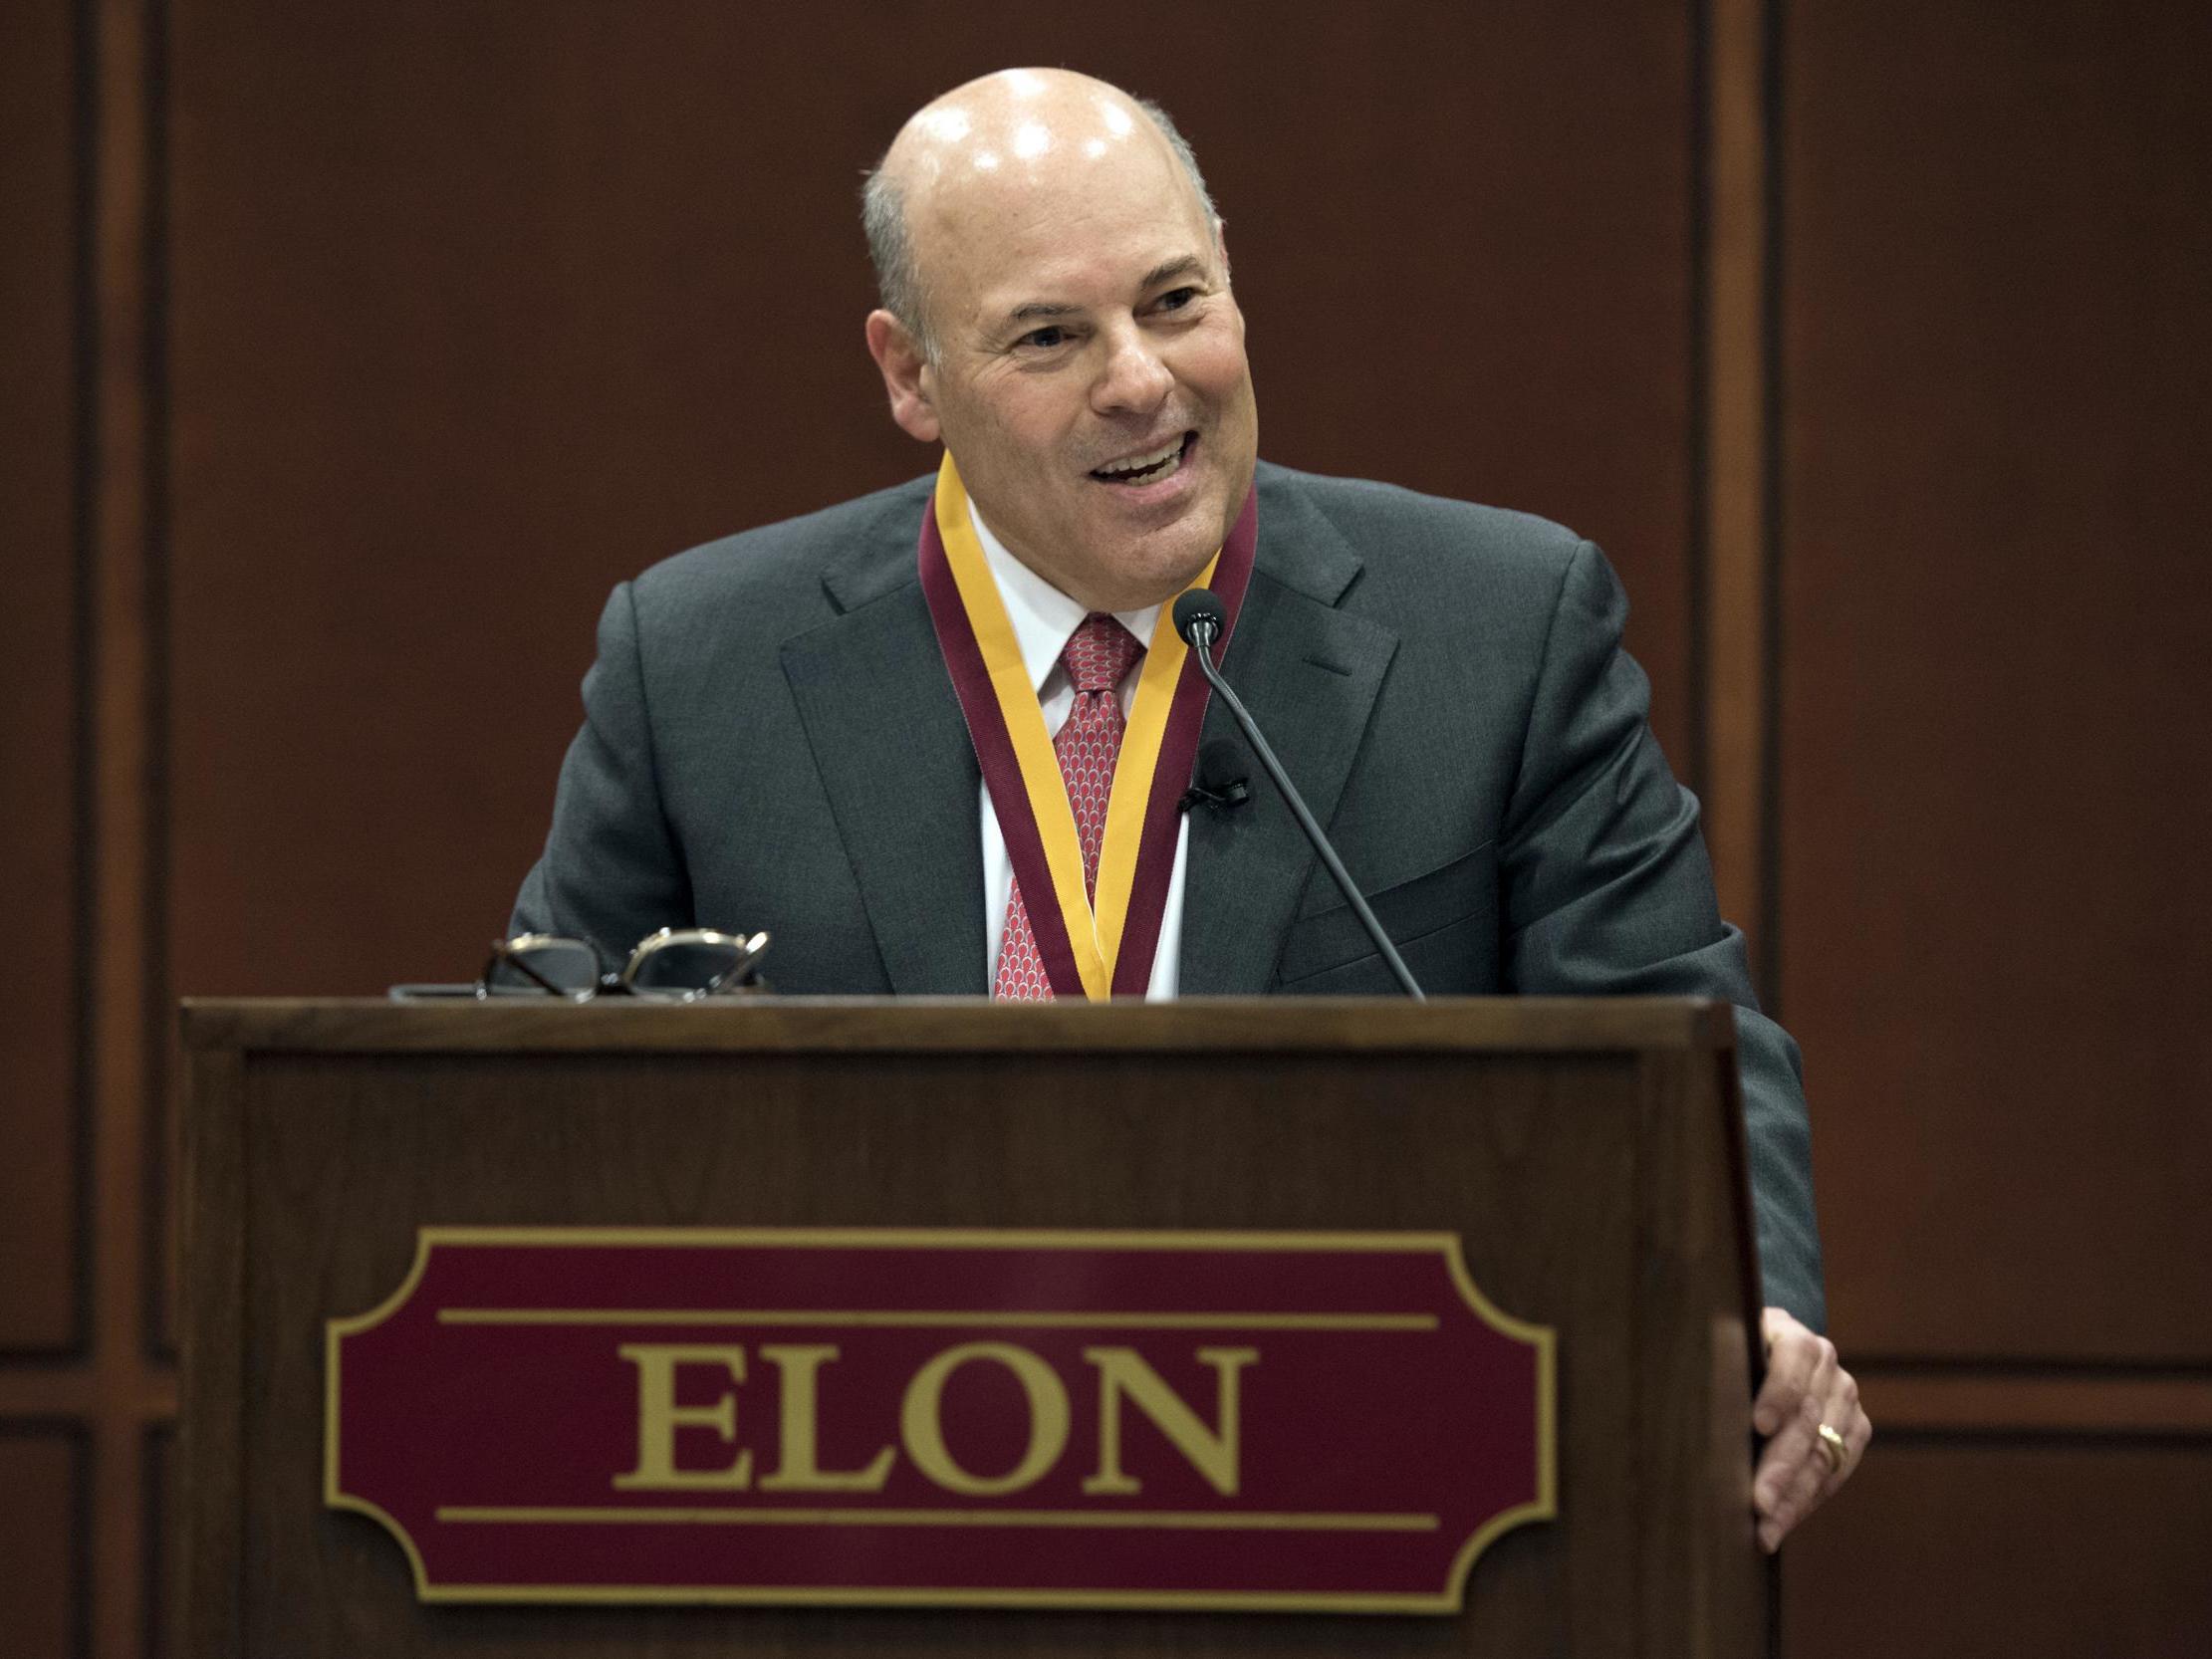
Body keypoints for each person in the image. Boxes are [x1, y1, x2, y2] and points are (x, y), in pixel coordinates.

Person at [509, 66, 1867, 1548]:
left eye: (1174, 301)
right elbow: (522, 1107)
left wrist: (1762, 1306)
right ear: (911, 376)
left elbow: (1684, 1042)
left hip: (1367, 1512)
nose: (1141, 380)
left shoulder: (1503, 629)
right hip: (857, 1524)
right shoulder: (700, 665)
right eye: (1049, 333)